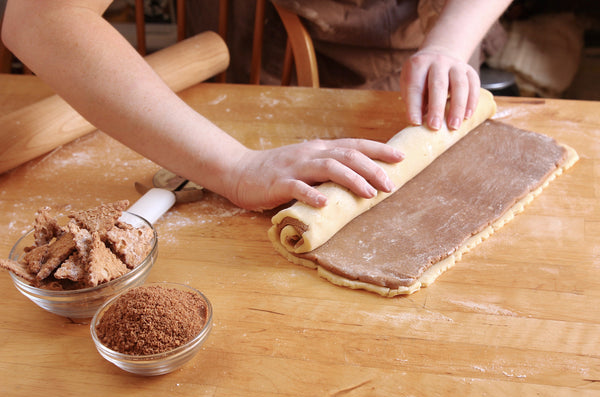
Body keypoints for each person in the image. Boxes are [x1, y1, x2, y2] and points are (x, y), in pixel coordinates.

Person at [1, 0, 510, 212]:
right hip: (242, 45)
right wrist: (236, 166)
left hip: (388, 51)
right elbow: (42, 14)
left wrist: (449, 44)